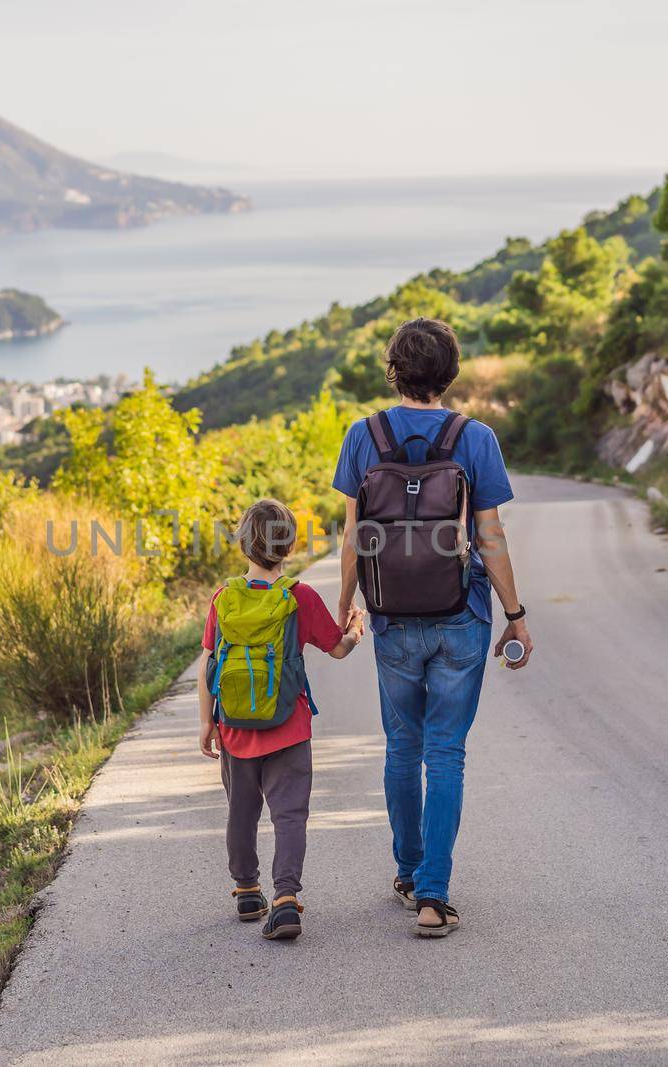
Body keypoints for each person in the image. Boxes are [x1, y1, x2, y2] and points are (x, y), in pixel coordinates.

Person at [332, 317, 532, 938]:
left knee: (402, 746)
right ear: (449, 373)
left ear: (394, 370)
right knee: (446, 751)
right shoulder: (475, 438)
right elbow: (490, 536)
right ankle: (433, 895)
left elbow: (353, 536)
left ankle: (408, 869)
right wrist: (516, 614)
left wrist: (345, 609)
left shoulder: (362, 436)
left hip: (392, 615)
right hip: (461, 617)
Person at [198, 498, 365, 940]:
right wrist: (354, 631)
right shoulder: (300, 597)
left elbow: (210, 663)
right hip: (288, 727)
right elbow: (336, 648)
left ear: (243, 545)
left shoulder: (224, 598)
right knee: (289, 815)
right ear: (288, 546)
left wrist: (206, 721)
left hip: (234, 726)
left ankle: (247, 888)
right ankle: (286, 900)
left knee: (241, 810)